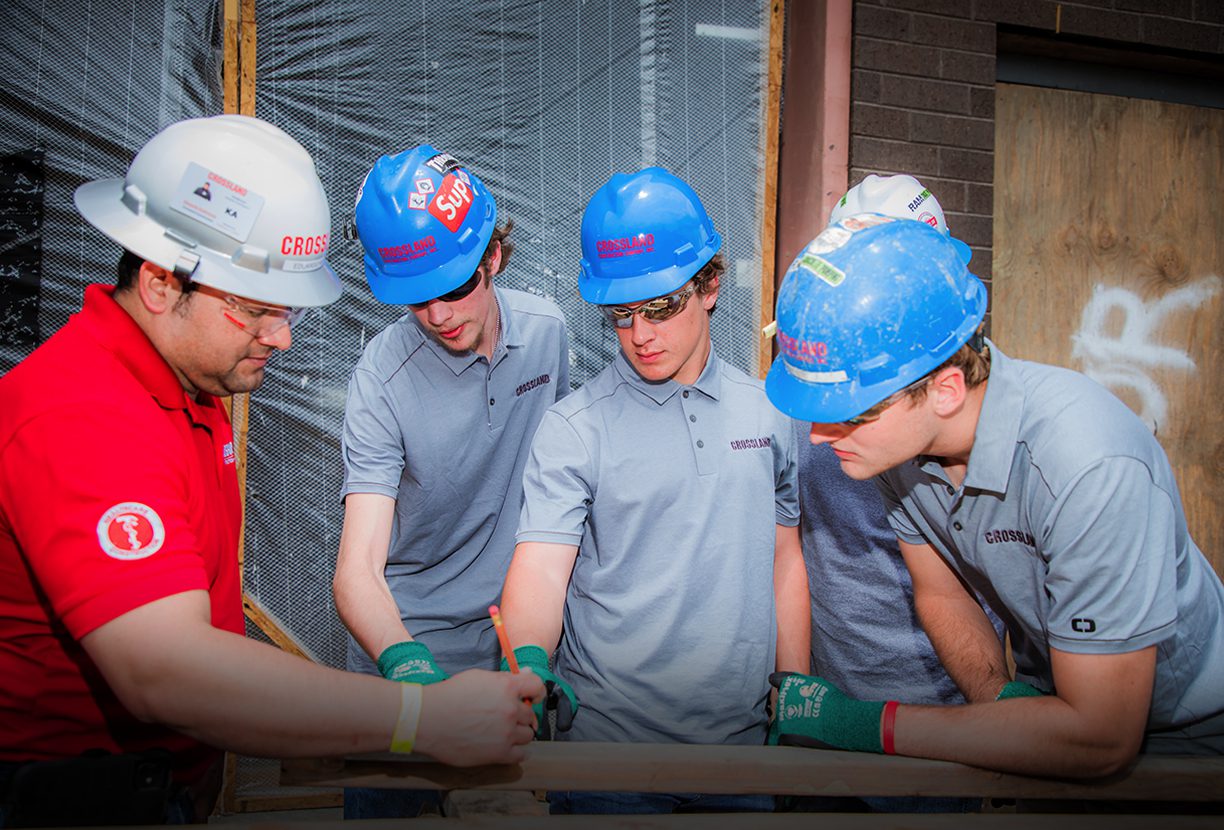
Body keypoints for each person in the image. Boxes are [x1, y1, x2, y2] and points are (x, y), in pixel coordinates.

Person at [0, 115, 541, 827]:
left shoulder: (188, 383)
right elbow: (164, 669)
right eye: (256, 311)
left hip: (151, 785)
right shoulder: (84, 417)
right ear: (163, 283)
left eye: (283, 312)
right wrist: (419, 716)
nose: (281, 338)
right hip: (66, 798)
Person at [764, 214, 1224, 779]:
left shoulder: (1089, 467)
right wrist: (1004, 710)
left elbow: (1103, 740)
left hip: (1187, 736)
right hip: (1052, 707)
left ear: (945, 390)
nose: (818, 435)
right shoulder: (894, 451)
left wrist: (864, 725)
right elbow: (942, 595)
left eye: (849, 414)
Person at [499, 168, 809, 815]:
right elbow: (541, 571)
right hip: (608, 754)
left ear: (711, 286)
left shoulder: (771, 413)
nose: (641, 334)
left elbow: (785, 560)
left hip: (740, 752)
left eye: (661, 307)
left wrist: (799, 693)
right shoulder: (574, 427)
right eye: (621, 315)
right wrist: (529, 662)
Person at [332, 145, 570, 818]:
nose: (437, 315)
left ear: (493, 256)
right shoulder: (382, 378)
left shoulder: (549, 335)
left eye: (455, 286)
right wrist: (413, 680)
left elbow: (558, 501)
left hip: (513, 649)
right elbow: (357, 575)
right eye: (413, 298)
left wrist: (535, 651)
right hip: (408, 653)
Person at [787, 175, 996, 814]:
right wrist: (802, 697)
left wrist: (1004, 716)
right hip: (837, 703)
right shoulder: (811, 395)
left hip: (949, 710)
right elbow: (786, 551)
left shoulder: (964, 412)